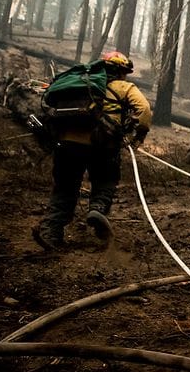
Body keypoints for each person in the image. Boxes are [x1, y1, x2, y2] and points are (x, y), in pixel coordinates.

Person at [34, 51, 152, 251]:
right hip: (104, 145)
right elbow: (144, 110)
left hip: (67, 142)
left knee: (65, 188)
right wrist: (139, 134)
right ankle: (97, 210)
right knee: (105, 181)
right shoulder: (124, 87)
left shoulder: (77, 84)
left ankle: (51, 232)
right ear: (121, 71)